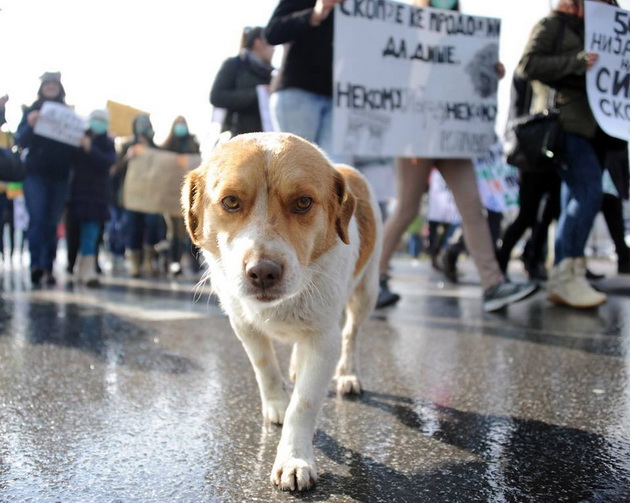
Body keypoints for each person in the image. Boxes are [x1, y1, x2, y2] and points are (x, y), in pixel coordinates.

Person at [377, 0, 538, 312]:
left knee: (472, 208)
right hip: (417, 134)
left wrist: (491, 72)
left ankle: (493, 285)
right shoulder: (408, 31)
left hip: (453, 137)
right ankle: (375, 277)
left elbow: (467, 82)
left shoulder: (466, 35)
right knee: (407, 209)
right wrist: (404, 136)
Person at [518, 0, 625, 308]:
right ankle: (566, 273)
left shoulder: (607, 30)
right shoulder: (554, 25)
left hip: (602, 127)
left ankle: (569, 271)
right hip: (567, 125)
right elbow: (528, 64)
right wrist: (577, 62)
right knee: (588, 192)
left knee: (575, 197)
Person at [265, 0, 348, 162]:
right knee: (296, 166)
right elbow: (272, 32)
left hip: (341, 97)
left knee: (338, 168)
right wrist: (314, 15)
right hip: (299, 93)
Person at [497, 74, 561, 282]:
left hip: (558, 147)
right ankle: (502, 259)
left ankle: (533, 258)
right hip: (532, 149)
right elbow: (516, 111)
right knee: (528, 214)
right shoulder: (527, 71)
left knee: (551, 211)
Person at [14, 72, 76, 286]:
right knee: (38, 219)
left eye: (54, 84)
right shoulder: (32, 111)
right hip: (35, 174)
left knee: (51, 223)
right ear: (41, 87)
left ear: (60, 87)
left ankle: (48, 266)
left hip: (59, 176)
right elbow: (19, 140)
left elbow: (74, 148)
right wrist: (30, 125)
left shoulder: (69, 114)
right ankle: (36, 265)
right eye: (47, 84)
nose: (50, 87)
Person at [66, 109, 116, 287]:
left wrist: (91, 149)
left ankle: (88, 269)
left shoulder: (107, 143)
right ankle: (77, 267)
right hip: (78, 193)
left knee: (91, 233)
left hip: (98, 196)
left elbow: (109, 161)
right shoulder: (77, 138)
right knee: (75, 233)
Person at [116, 114, 166, 278]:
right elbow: (116, 170)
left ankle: (148, 259)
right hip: (132, 197)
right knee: (132, 227)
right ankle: (134, 261)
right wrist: (126, 158)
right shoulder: (127, 146)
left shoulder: (156, 149)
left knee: (152, 225)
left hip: (151, 197)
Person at [210, 26, 274, 137]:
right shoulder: (234, 64)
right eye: (270, 44)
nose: (274, 49)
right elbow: (216, 96)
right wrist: (257, 94)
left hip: (267, 138)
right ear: (258, 43)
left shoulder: (273, 74)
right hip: (237, 137)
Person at [159, 116, 200, 276]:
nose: (181, 127)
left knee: (191, 229)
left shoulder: (193, 144)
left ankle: (194, 263)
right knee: (174, 231)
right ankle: (175, 262)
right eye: (178, 124)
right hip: (171, 195)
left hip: (190, 195)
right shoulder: (166, 146)